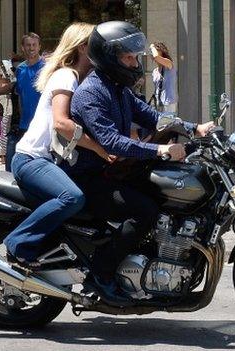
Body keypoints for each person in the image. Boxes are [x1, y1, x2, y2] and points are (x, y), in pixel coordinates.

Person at [65, 21, 215, 299]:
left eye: (135, 56)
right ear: (109, 57)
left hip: (114, 172)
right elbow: (110, 141)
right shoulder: (91, 93)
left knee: (164, 193)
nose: (134, 63)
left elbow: (154, 117)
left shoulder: (117, 88)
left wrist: (195, 128)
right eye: (129, 57)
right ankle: (101, 272)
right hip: (91, 177)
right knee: (144, 211)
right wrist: (160, 150)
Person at [4, 23, 109, 269]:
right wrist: (100, 149)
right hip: (32, 159)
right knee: (72, 197)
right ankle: (18, 241)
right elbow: (62, 123)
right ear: (83, 47)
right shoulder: (67, 75)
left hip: (49, 161)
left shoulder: (82, 79)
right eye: (97, 45)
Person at [0, 32, 44, 171]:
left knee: (36, 166)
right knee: (10, 165)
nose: (31, 48)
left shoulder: (47, 68)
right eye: (28, 45)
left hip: (41, 126)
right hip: (22, 124)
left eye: (34, 45)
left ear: (39, 46)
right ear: (23, 47)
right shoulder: (20, 69)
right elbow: (13, 87)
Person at [149, 42, 177, 112]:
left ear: (161, 52)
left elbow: (156, 57)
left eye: (155, 51)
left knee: (167, 122)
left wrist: (152, 47)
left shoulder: (168, 64)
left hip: (168, 103)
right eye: (151, 52)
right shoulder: (155, 71)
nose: (152, 53)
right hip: (158, 103)